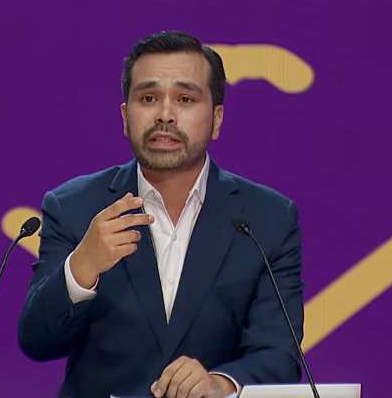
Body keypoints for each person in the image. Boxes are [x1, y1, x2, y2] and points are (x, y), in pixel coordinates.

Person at [17, 31, 305, 398]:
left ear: (216, 119)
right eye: (148, 98)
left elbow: (279, 355)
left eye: (185, 99)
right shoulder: (74, 207)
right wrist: (82, 267)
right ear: (125, 117)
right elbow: (37, 341)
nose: (165, 115)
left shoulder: (267, 219)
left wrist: (219, 383)